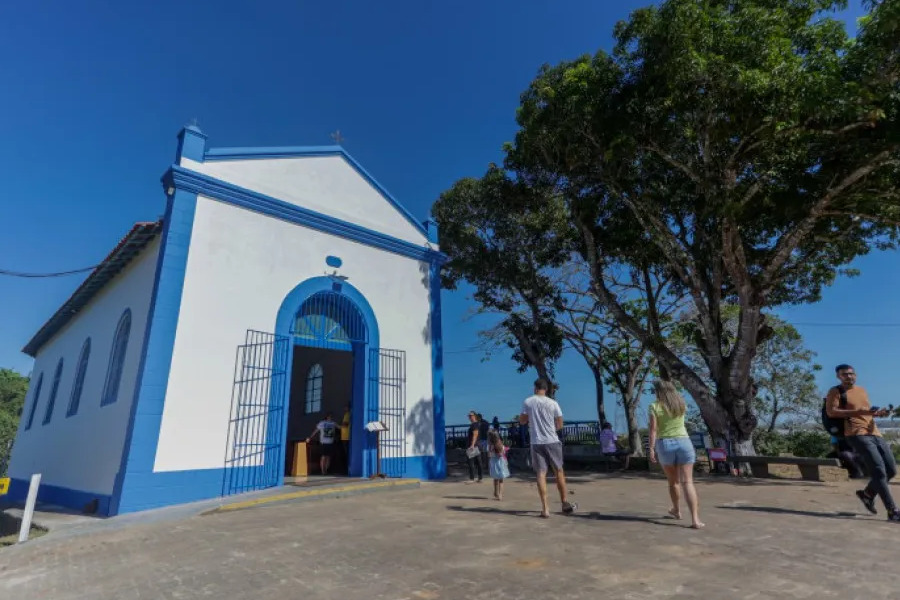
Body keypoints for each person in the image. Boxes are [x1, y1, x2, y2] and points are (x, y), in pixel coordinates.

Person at [825, 364, 898, 521]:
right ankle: (892, 511)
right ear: (839, 376)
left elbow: (865, 411)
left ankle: (867, 494)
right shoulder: (835, 391)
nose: (849, 376)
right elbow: (832, 411)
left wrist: (878, 413)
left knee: (891, 470)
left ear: (855, 375)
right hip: (856, 434)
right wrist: (860, 412)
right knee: (879, 471)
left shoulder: (862, 390)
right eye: (844, 374)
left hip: (874, 432)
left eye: (851, 374)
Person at [648, 380, 703, 529]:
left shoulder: (654, 406)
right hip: (684, 442)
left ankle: (676, 510)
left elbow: (653, 430)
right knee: (688, 482)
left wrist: (651, 448)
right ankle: (695, 520)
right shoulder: (681, 404)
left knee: (673, 482)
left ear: (658, 392)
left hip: (665, 444)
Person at [519, 378, 576, 518]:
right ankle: (564, 502)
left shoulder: (528, 401)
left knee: (540, 473)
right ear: (546, 389)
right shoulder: (553, 403)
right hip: (552, 440)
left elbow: (522, 421)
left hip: (536, 441)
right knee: (559, 471)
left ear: (535, 388)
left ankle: (545, 508)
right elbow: (560, 424)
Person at [487, 430, 510, 501]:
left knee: (495, 478)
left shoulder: (490, 445)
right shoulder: (499, 443)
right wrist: (505, 449)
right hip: (500, 462)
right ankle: (500, 494)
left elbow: (489, 455)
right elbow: (501, 454)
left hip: (493, 462)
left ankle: (495, 492)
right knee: (501, 480)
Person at [465, 411, 483, 483]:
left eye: (471, 415)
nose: (469, 417)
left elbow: (475, 434)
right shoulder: (476, 424)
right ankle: (480, 478)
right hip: (477, 445)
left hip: (473, 446)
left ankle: (472, 478)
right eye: (469, 416)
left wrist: (472, 445)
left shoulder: (474, 425)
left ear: (474, 416)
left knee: (471, 462)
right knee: (478, 462)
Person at [340, 404, 351, 474]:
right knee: (346, 453)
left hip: (345, 436)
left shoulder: (347, 414)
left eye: (345, 406)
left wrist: (338, 426)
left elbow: (345, 424)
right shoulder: (348, 414)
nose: (344, 408)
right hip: (346, 436)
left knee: (346, 454)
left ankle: (346, 470)